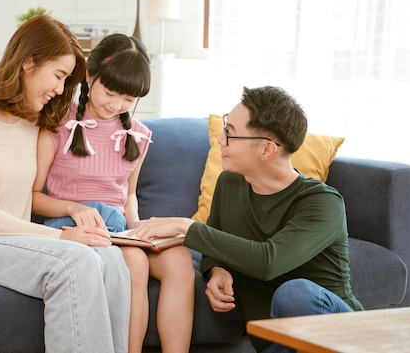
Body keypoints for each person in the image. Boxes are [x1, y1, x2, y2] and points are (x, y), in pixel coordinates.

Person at [0, 15, 130, 353]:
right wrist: (62, 236)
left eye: (67, 81)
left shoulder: (34, 120)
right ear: (28, 61)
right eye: (59, 76)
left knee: (112, 260)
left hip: (7, 240)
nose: (60, 90)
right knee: (74, 261)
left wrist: (76, 210)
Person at [130, 86, 363, 353]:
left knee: (295, 294)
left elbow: (268, 261)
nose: (220, 139)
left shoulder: (322, 203)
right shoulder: (230, 183)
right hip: (276, 345)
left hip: (342, 338)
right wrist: (217, 270)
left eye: (230, 133)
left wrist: (188, 227)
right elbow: (215, 243)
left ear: (266, 149)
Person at [32, 33, 195, 353]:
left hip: (116, 227)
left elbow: (127, 195)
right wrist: (74, 208)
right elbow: (33, 195)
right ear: (90, 75)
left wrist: (137, 226)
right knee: (135, 261)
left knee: (179, 259)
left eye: (128, 99)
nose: (116, 105)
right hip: (70, 223)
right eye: (110, 92)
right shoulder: (57, 123)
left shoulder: (140, 135)